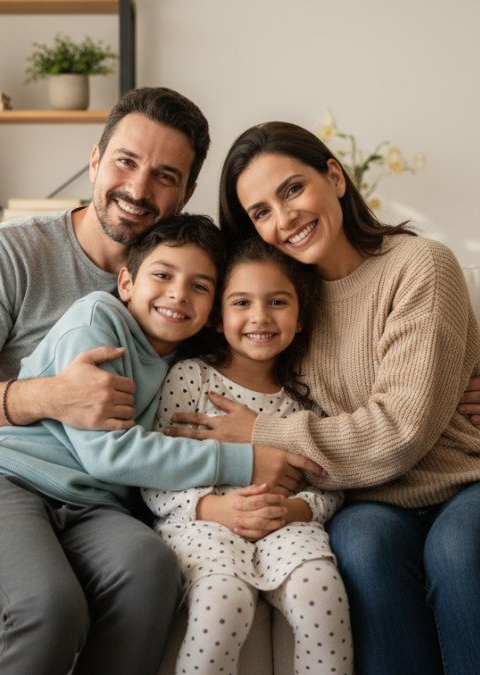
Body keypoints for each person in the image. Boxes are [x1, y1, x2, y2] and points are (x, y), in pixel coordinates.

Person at [0, 86, 480, 675]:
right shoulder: (15, 253)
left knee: (150, 566)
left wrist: (457, 381)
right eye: (126, 163)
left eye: (165, 175)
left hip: (108, 490)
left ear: (186, 193)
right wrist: (49, 395)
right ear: (95, 159)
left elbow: (279, 357)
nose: (139, 188)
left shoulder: (201, 297)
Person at [166, 121, 480, 675]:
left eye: (293, 189)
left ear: (335, 177)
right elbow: (183, 328)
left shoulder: (420, 266)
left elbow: (400, 431)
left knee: (456, 551)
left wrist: (260, 430)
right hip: (372, 502)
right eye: (261, 212)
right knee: (364, 553)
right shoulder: (281, 308)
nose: (285, 219)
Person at [0, 215, 279, 674]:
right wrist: (246, 462)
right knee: (51, 606)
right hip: (4, 480)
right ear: (126, 282)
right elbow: (109, 452)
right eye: (162, 275)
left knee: (152, 567)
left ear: (214, 309)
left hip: (92, 507)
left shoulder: (189, 365)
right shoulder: (97, 319)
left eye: (200, 287)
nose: (178, 293)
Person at [143, 238, 351, 675]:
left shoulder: (307, 394)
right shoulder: (191, 378)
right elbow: (157, 472)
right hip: (202, 524)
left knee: (322, 590)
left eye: (278, 301)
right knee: (224, 599)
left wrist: (294, 509)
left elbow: (329, 481)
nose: (260, 317)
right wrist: (212, 507)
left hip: (286, 525)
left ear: (300, 319)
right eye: (241, 302)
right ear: (218, 318)